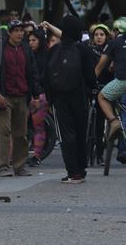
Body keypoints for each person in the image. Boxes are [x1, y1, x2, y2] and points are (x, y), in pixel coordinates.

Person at [42, 16, 97, 182]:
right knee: (81, 133)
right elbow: (91, 76)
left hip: (59, 99)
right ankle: (81, 167)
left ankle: (73, 172)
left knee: (66, 135)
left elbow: (45, 77)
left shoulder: (53, 50)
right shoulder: (83, 50)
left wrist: (50, 99)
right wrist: (91, 92)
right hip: (80, 97)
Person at [0, 19, 41, 177]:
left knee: (21, 133)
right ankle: (2, 167)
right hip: (5, 95)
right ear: (9, 33)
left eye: (21, 31)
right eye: (16, 31)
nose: (19, 34)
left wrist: (36, 96)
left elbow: (33, 73)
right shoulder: (0, 50)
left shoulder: (26, 49)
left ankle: (20, 166)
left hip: (22, 95)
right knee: (4, 131)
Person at [27, 28, 50, 166]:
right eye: (29, 40)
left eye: (34, 40)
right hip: (26, 94)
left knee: (38, 127)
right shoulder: (27, 55)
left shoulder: (46, 56)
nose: (31, 43)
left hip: (40, 95)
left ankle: (37, 155)